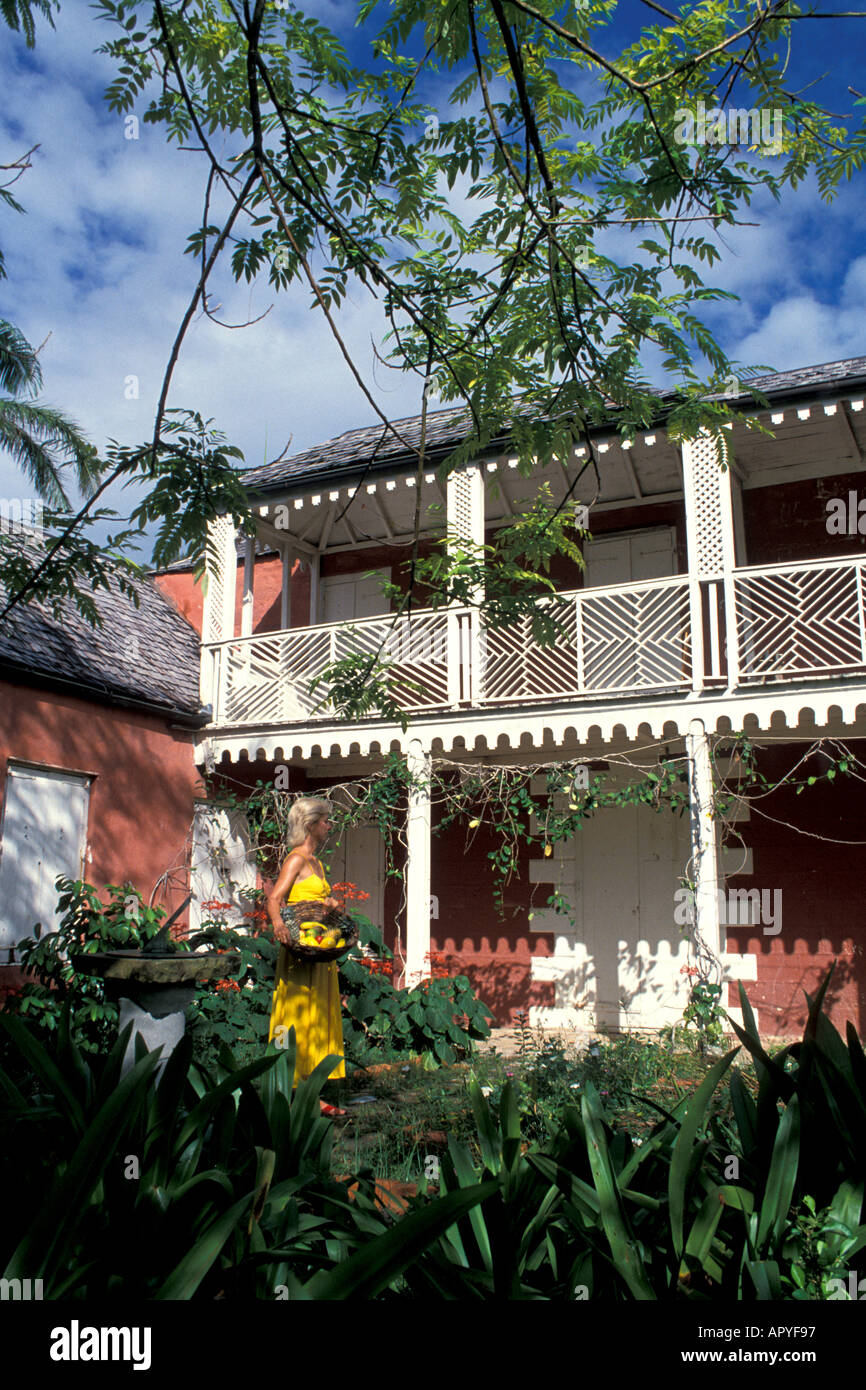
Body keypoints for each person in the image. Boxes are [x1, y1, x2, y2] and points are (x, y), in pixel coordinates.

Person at [266, 797, 347, 1116]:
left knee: (318, 1015)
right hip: (301, 947)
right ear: (310, 824)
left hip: (319, 947)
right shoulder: (296, 859)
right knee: (297, 1015)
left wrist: (331, 905)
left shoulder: (317, 862)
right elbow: (276, 899)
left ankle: (312, 1090)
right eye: (325, 820)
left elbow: (312, 897)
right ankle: (293, 1090)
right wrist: (277, 924)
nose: (329, 825)